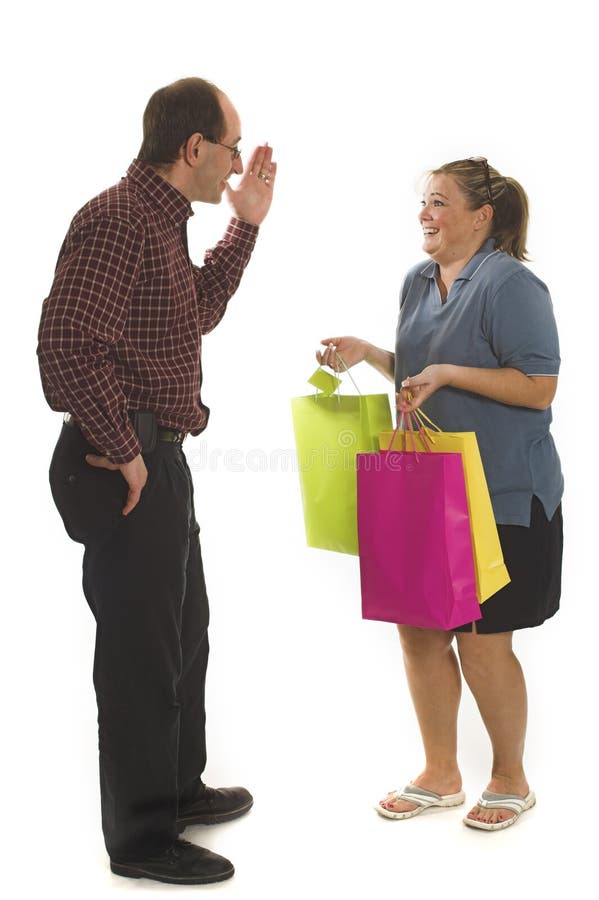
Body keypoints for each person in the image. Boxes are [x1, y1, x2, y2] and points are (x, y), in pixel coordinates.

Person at [37, 77, 276, 884]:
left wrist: (243, 230)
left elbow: (193, 314)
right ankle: (140, 841)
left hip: (158, 457)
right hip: (121, 463)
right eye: (231, 147)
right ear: (194, 147)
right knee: (141, 655)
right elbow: (68, 346)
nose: (237, 162)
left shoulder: (163, 223)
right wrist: (127, 450)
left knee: (184, 632)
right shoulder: (115, 220)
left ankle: (175, 788)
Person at [317, 157, 562, 832]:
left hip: (503, 493)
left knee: (482, 642)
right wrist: (370, 352)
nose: (424, 213)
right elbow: (421, 374)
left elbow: (537, 386)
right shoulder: (415, 281)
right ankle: (440, 774)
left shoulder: (510, 285)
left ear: (482, 216)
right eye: (423, 202)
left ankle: (510, 779)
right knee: (420, 633)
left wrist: (452, 371)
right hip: (428, 487)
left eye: (439, 202)